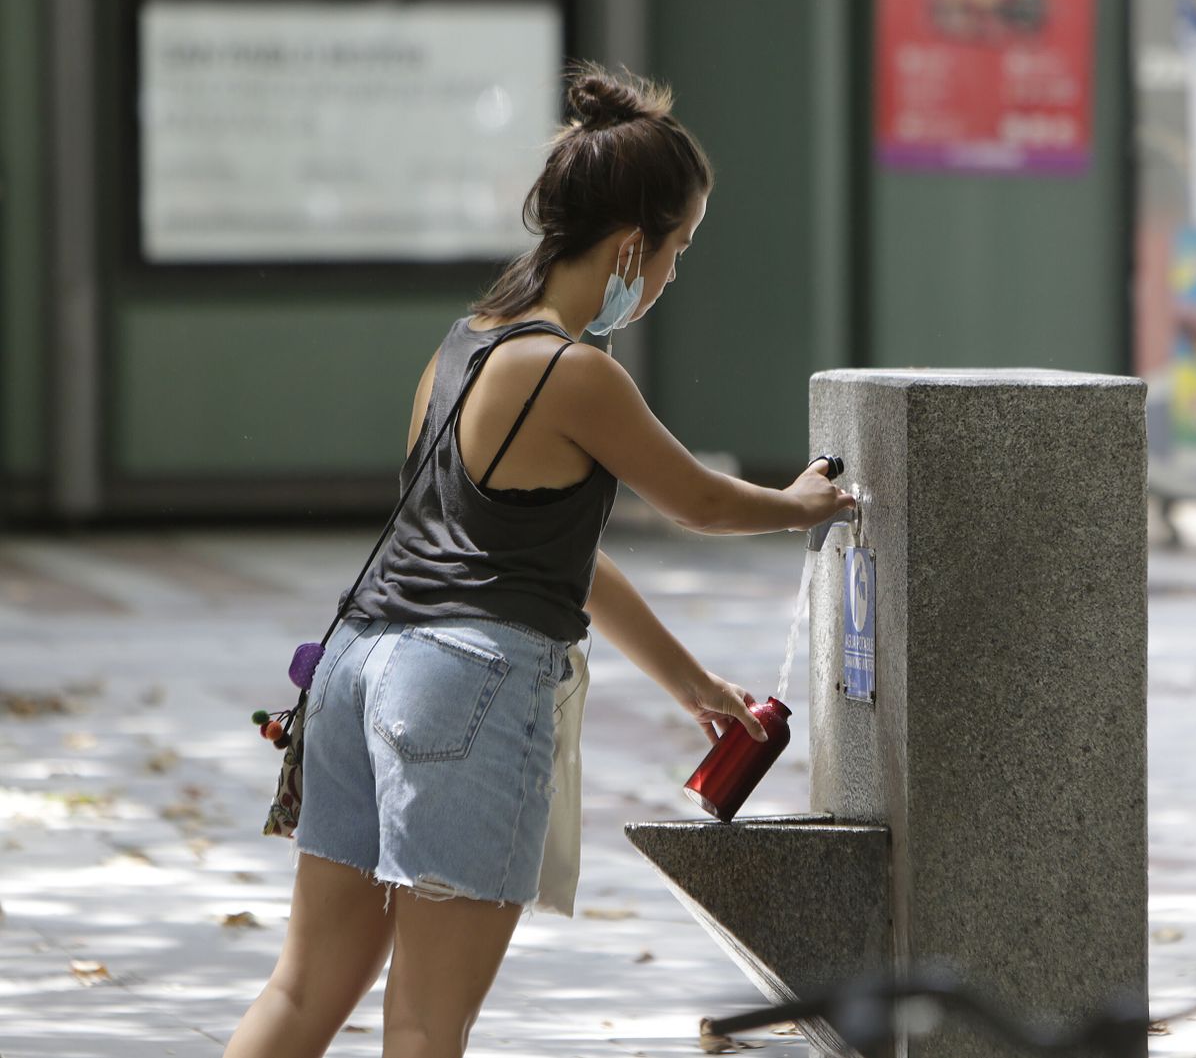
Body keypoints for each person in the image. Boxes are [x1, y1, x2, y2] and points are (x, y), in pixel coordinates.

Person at [223, 64, 854, 1058]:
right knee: (428, 1022)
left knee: (302, 991)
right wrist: (803, 503)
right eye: (676, 252)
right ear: (629, 246)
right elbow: (694, 499)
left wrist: (687, 680)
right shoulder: (572, 372)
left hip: (351, 672)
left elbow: (553, 556)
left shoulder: (463, 345)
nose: (670, 277)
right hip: (463, 691)